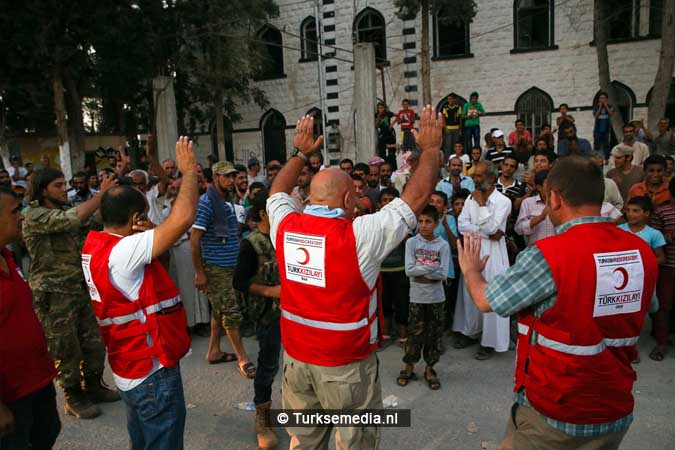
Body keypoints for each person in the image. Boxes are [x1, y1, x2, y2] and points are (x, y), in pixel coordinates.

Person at [267, 109, 442, 449]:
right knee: (354, 441)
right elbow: (416, 199)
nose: (361, 202)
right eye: (356, 198)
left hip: (296, 361)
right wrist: (432, 149)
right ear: (347, 199)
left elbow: (277, 191)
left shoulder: (284, 226)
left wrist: (300, 153)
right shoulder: (360, 235)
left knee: (303, 441)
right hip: (345, 367)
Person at [457, 156, 659, 450]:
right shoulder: (642, 251)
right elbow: (648, 307)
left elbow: (487, 301)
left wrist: (472, 272)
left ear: (554, 198)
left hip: (553, 414)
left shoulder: (549, 255)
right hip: (614, 410)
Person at [81, 136, 197, 450]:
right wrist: (188, 172)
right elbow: (183, 218)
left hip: (129, 367)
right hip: (152, 372)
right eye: (143, 216)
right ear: (135, 219)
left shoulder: (98, 246)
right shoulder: (124, 251)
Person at [22, 168, 120, 419]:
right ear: (43, 190)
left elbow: (94, 220)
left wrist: (111, 197)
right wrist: (100, 195)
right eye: (58, 185)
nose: (65, 188)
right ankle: (73, 395)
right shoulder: (34, 215)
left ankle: (94, 385)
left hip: (79, 287)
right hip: (53, 294)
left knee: (93, 342)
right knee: (65, 347)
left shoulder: (70, 208)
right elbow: (71, 219)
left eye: (65, 184)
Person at [0, 187, 61, 450]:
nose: (22, 217)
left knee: (47, 432)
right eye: (15, 212)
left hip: (37, 379)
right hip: (9, 394)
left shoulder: (8, 256)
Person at [191, 161, 254, 376]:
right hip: (215, 268)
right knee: (231, 312)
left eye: (232, 176)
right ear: (215, 177)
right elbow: (194, 240)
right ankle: (243, 358)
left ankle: (214, 351)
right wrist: (200, 273)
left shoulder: (225, 201)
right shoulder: (207, 203)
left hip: (229, 266)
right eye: (226, 177)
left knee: (219, 310)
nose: (230, 180)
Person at [233, 190, 282, 450]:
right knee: (268, 366)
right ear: (263, 213)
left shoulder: (287, 238)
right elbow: (239, 282)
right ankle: (263, 418)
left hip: (295, 313)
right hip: (267, 314)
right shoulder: (251, 244)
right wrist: (270, 291)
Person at [453, 161, 512, 360]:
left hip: (494, 254)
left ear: (492, 178)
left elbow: (495, 231)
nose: (474, 180)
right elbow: (462, 224)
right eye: (474, 176)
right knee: (470, 292)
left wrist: (482, 206)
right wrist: (484, 230)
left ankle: (490, 343)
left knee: (492, 294)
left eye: (478, 176)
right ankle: (471, 332)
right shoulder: (471, 197)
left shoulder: (503, 201)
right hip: (473, 250)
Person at [397, 205, 450, 390]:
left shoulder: (442, 245)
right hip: (417, 297)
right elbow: (409, 270)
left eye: (428, 222)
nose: (424, 225)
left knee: (433, 336)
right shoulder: (412, 243)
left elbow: (443, 273)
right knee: (414, 334)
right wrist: (432, 268)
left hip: (436, 298)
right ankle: (409, 366)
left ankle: (429, 369)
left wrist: (422, 270)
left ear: (436, 224)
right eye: (420, 221)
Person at [378, 188, 410, 345]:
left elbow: (409, 242)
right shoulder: (375, 222)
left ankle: (403, 334)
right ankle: (386, 334)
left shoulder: (404, 222)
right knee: (384, 303)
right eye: (385, 200)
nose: (388, 203)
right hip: (382, 270)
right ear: (379, 204)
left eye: (392, 200)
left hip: (401, 269)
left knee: (402, 302)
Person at [651, 177, 675, 361]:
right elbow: (655, 241)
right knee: (663, 307)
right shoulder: (662, 212)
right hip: (668, 267)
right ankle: (661, 343)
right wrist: (670, 237)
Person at [619, 197, 666, 264]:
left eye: (635, 211)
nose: (630, 214)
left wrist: (641, 263)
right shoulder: (618, 230)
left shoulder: (655, 234)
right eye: (628, 210)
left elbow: (661, 258)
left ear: (646, 213)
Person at [515, 170, 555, 245]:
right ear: (539, 187)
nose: (552, 188)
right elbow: (518, 230)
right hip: (535, 252)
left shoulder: (562, 203)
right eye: (549, 184)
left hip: (556, 251)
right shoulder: (528, 203)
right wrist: (540, 218)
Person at [593, 91, 614, 159]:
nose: (602, 99)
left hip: (606, 130)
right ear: (599, 99)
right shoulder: (596, 107)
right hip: (597, 130)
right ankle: (596, 157)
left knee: (606, 145)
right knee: (597, 145)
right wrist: (600, 106)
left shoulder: (610, 106)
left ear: (606, 99)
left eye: (604, 98)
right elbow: (596, 116)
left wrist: (605, 105)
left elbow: (611, 114)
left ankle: (606, 158)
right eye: (601, 98)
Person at [441, 94, 463, 159]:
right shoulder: (445, 107)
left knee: (456, 145)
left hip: (456, 128)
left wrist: (460, 129)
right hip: (448, 129)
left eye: (451, 99)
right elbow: (443, 118)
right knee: (448, 145)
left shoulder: (458, 107)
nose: (449, 100)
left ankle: (456, 159)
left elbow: (460, 119)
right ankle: (448, 160)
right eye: (448, 99)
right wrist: (445, 128)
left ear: (454, 99)